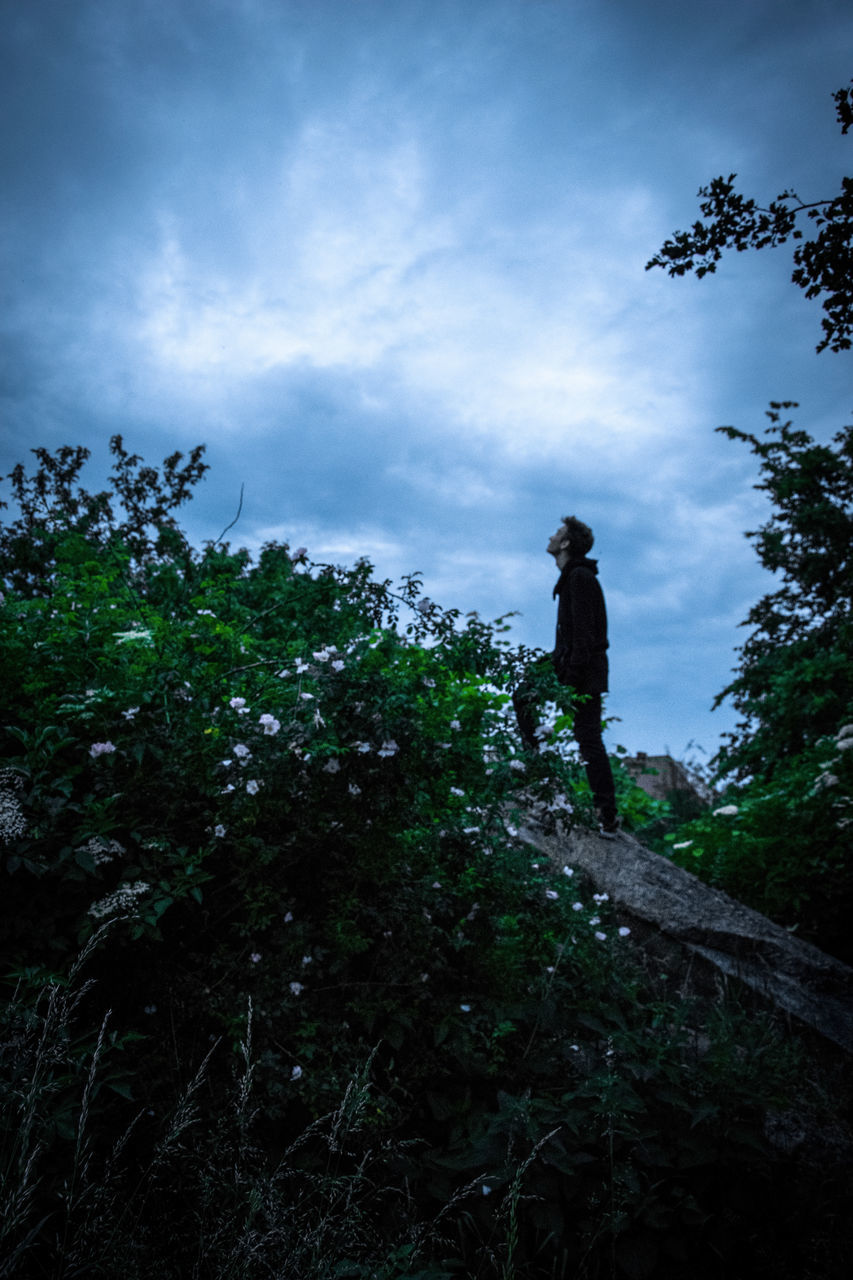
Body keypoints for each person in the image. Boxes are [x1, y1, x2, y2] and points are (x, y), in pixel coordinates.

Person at [514, 515, 619, 837]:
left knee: (588, 738)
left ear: (566, 543)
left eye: (557, 532)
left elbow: (586, 636)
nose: (551, 535)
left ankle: (605, 815)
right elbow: (574, 637)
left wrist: (569, 681)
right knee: (524, 695)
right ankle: (546, 784)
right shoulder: (573, 577)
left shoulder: (579, 578)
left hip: (582, 667)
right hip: (571, 661)